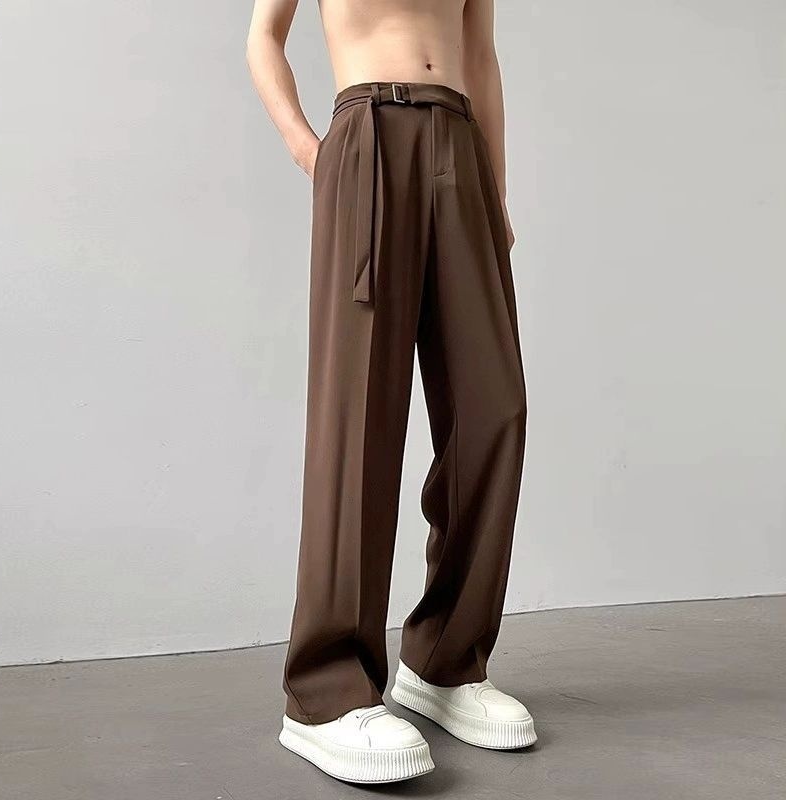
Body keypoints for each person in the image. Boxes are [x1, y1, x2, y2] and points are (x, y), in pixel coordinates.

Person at [247, 0, 533, 783]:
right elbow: (263, 36)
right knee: (360, 414)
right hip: (368, 134)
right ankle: (325, 690)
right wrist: (310, 151)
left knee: (493, 408)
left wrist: (496, 190)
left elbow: (481, 57)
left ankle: (445, 661)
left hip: (460, 141)